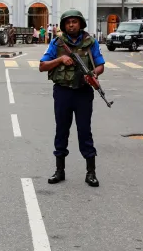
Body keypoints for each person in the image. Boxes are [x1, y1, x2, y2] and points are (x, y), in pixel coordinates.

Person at [38, 10, 105, 188]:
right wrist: (60, 59)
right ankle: (59, 170)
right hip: (62, 92)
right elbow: (42, 66)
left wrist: (92, 74)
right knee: (62, 130)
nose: (71, 25)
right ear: (63, 26)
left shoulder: (91, 43)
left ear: (80, 24)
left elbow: (100, 65)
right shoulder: (56, 43)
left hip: (83, 92)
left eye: (74, 22)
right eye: (68, 23)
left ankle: (91, 172)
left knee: (84, 131)